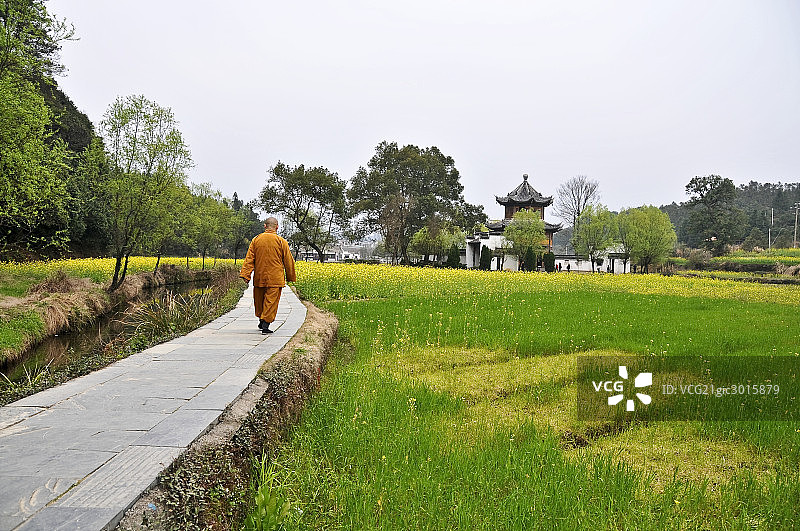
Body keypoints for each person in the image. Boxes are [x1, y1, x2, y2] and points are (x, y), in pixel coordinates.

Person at [239, 217, 296, 334]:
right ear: (277, 227)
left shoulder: (256, 240)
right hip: (275, 278)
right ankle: (265, 324)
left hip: (259, 277)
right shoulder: (281, 241)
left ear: (265, 226)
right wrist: (290, 276)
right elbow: (288, 261)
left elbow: (249, 259)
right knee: (271, 301)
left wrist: (246, 274)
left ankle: (262, 319)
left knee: (259, 300)